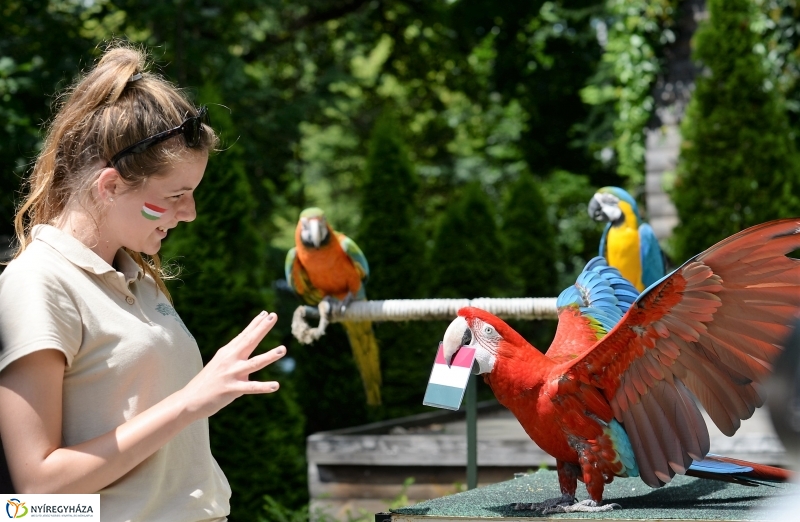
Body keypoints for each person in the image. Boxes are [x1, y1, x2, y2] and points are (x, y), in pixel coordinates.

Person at [0, 44, 285, 521]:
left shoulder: (139, 279)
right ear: (110, 186)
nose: (189, 213)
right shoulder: (37, 283)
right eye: (176, 195)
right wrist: (190, 402)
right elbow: (36, 493)